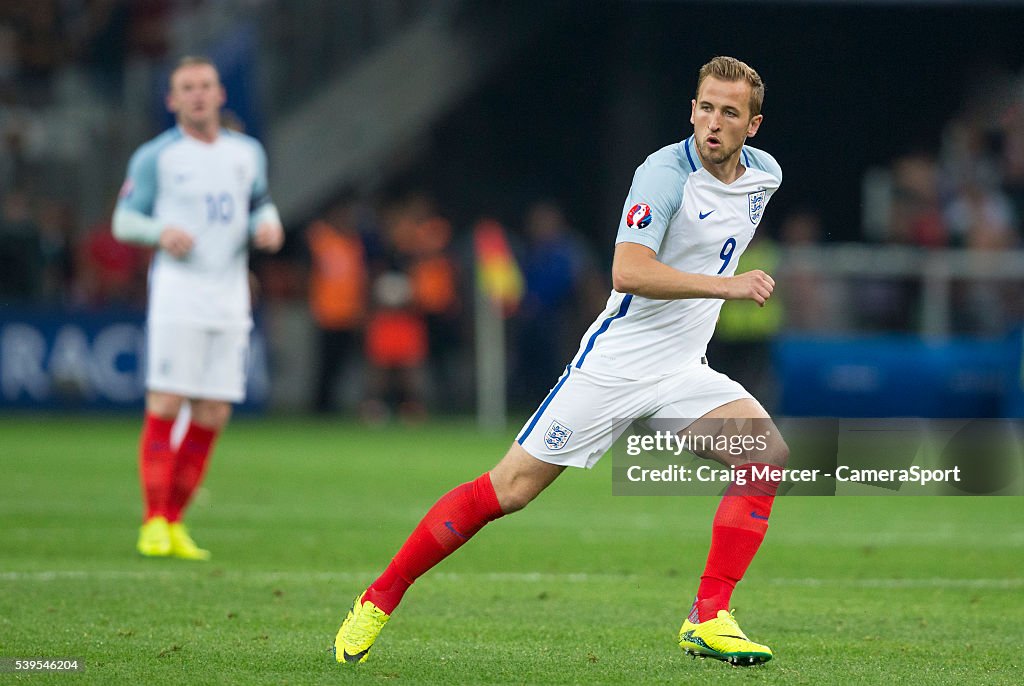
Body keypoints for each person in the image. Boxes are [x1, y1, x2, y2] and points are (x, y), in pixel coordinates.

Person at [333, 55, 788, 667]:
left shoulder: (764, 176)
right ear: (691, 110)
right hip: (615, 367)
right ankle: (378, 597)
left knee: (766, 455)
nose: (713, 122)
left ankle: (709, 616)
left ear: (752, 126)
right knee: (509, 490)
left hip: (683, 369)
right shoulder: (662, 174)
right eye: (705, 107)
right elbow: (628, 270)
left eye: (729, 113)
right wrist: (725, 286)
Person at [113, 56, 284, 560]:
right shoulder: (156, 157)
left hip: (230, 296)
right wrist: (158, 232)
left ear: (219, 93)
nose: (197, 95)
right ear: (172, 100)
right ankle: (152, 521)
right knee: (166, 404)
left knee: (212, 412)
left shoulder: (246, 153)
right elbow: (124, 220)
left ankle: (176, 521)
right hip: (178, 294)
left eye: (205, 85)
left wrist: (268, 224)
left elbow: (259, 203)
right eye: (186, 88)